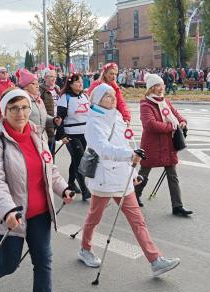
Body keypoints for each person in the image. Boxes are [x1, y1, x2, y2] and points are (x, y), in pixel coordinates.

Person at [0, 87, 74, 292]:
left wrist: (63, 188)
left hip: (40, 213)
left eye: (24, 107)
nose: (20, 113)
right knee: (9, 264)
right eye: (13, 108)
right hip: (11, 215)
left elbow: (50, 169)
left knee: (43, 261)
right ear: (4, 111)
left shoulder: (36, 134)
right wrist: (8, 210)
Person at [77, 83, 181, 279]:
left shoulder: (116, 116)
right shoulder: (93, 122)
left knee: (138, 221)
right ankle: (85, 249)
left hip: (123, 179)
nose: (112, 98)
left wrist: (133, 175)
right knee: (94, 218)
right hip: (104, 178)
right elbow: (103, 149)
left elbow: (127, 144)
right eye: (106, 96)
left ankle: (155, 260)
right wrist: (129, 155)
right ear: (97, 100)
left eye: (112, 95)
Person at [134, 74, 193, 216]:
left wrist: (182, 121)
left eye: (162, 85)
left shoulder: (165, 102)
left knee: (172, 176)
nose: (161, 88)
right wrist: (171, 127)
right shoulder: (146, 105)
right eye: (158, 86)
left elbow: (176, 115)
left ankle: (177, 206)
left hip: (167, 145)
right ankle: (134, 197)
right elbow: (149, 124)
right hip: (151, 146)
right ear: (151, 88)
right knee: (144, 174)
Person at [56, 73, 91, 201]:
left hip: (84, 133)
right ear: (70, 84)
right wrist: (62, 135)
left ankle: (70, 183)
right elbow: (59, 118)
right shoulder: (65, 97)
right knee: (80, 159)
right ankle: (84, 189)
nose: (80, 84)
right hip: (71, 134)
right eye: (77, 82)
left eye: (81, 81)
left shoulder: (85, 96)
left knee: (76, 160)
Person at [17, 68, 60, 136]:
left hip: (42, 136)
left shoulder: (38, 99)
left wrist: (53, 120)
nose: (37, 86)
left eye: (37, 83)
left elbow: (44, 116)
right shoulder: (22, 100)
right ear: (26, 86)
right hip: (29, 137)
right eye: (34, 84)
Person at [39, 69, 61, 153]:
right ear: (45, 77)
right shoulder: (41, 89)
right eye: (51, 76)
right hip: (47, 120)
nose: (54, 78)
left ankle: (52, 162)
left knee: (54, 142)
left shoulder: (57, 88)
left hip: (57, 119)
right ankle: (49, 162)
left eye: (55, 76)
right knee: (49, 144)